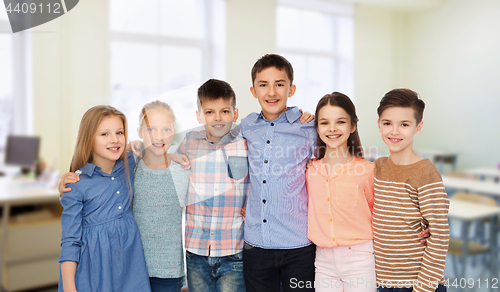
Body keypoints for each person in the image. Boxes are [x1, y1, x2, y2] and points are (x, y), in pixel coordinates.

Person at [238, 54, 317, 292]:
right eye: (264, 85)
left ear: (291, 89)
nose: (271, 92)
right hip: (256, 245)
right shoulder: (246, 126)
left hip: (298, 245)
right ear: (253, 91)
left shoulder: (308, 127)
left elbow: (331, 168)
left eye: (279, 84)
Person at [58, 105, 150, 292]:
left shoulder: (130, 162)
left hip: (130, 265)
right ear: (88, 138)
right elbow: (70, 241)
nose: (114, 140)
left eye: (119, 132)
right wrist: (69, 288)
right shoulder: (76, 184)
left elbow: (159, 147)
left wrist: (136, 144)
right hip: (93, 271)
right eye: (104, 134)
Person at [174, 79, 249, 292]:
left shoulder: (244, 143)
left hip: (233, 250)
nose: (217, 118)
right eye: (209, 112)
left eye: (224, 111)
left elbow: (256, 179)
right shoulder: (189, 141)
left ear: (235, 114)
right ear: (199, 116)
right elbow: (167, 163)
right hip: (197, 250)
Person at [373, 89, 449, 292]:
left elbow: (439, 238)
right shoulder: (377, 168)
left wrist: (422, 289)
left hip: (417, 285)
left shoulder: (425, 172)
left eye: (404, 125)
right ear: (379, 124)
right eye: (387, 123)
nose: (394, 131)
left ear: (418, 127)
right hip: (381, 282)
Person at [306, 92, 376, 292]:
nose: (332, 129)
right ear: (317, 127)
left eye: (341, 122)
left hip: (360, 259)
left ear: (353, 126)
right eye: (324, 122)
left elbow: (380, 213)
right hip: (323, 260)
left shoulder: (368, 170)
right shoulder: (309, 170)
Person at [133, 100, 190, 292]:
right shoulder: (131, 169)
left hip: (168, 269)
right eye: (151, 130)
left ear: (174, 132)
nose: (159, 136)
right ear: (140, 133)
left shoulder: (183, 172)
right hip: (133, 266)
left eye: (166, 129)